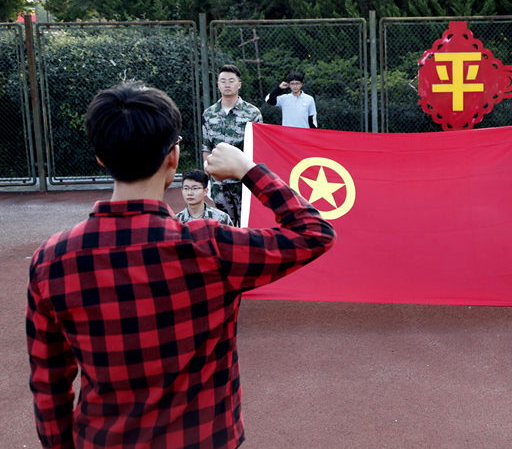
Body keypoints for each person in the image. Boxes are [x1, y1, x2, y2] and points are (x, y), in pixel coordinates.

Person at [26, 83, 336, 448]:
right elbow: (314, 232)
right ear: (173, 157)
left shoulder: (51, 260)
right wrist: (248, 169)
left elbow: (49, 384)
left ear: (100, 158)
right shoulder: (210, 246)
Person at [202, 64, 263, 226]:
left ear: (239, 84)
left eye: (231, 80)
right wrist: (208, 175)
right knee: (224, 227)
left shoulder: (253, 113)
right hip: (219, 182)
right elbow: (206, 147)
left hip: (244, 180)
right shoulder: (209, 114)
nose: (227, 84)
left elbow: (258, 148)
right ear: (218, 84)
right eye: (223, 81)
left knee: (247, 225)